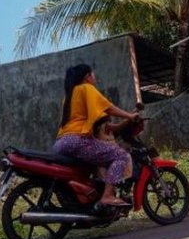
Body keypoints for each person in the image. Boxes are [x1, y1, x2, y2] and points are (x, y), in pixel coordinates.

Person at [53, 64, 139, 206]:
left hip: (61, 142)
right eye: (93, 75)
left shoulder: (69, 95)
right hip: (77, 140)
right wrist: (130, 116)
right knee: (121, 156)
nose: (95, 78)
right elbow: (108, 107)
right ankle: (108, 196)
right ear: (87, 76)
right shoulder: (86, 88)